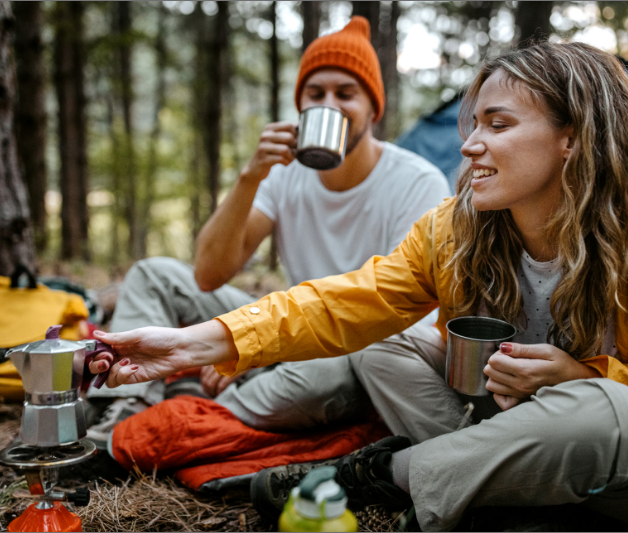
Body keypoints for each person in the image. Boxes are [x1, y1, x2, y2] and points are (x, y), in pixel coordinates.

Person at [87, 42, 628, 531]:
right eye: (474, 124)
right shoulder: (458, 233)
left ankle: (381, 474)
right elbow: (343, 302)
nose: (470, 145)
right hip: (511, 436)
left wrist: (588, 376)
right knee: (381, 343)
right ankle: (500, 503)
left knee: (602, 411)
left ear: (572, 137)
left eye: (497, 125)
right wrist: (198, 344)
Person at [84, 16, 452, 449]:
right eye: (315, 95)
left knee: (329, 378)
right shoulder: (284, 174)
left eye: (346, 94)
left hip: (351, 347)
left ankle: (190, 406)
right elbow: (207, 276)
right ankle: (124, 407)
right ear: (300, 107)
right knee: (153, 274)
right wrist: (250, 177)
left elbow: (404, 320)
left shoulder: (416, 182)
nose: (329, 105)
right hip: (283, 324)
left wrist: (251, 350)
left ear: (374, 108)